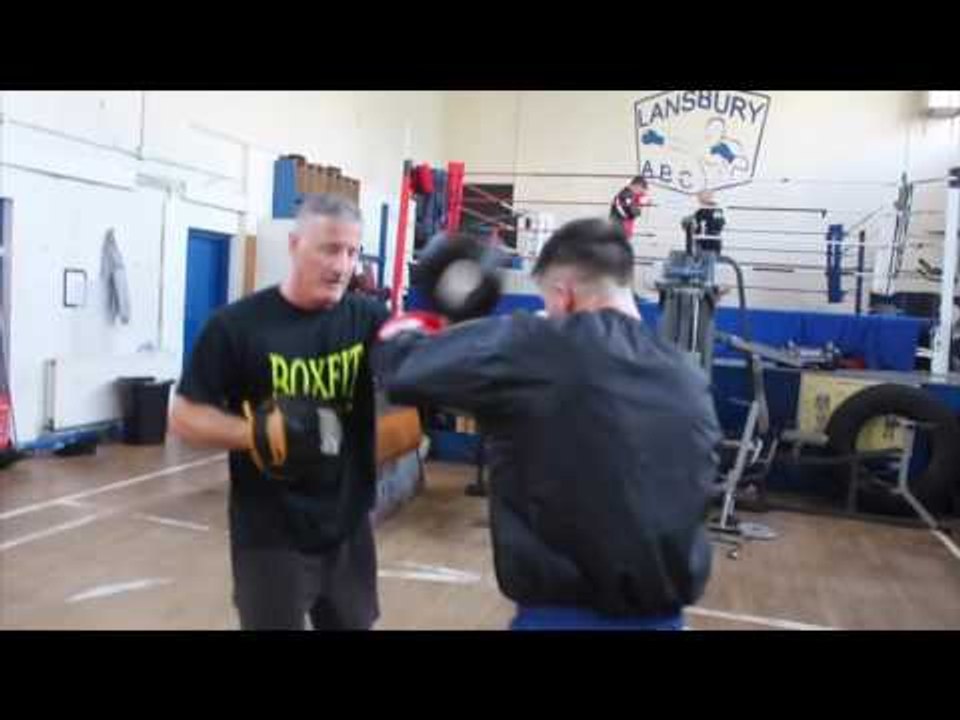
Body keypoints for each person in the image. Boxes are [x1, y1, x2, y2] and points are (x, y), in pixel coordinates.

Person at [375, 219, 721, 630]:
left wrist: (421, 320)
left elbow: (404, 370)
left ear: (565, 293)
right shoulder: (686, 374)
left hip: (560, 619)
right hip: (665, 619)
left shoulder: (540, 344)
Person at [169, 193, 389, 631]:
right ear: (294, 244)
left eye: (351, 251)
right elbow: (184, 416)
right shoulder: (236, 327)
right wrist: (258, 432)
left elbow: (419, 364)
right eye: (329, 248)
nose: (343, 266)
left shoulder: (368, 318)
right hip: (271, 532)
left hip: (347, 526)